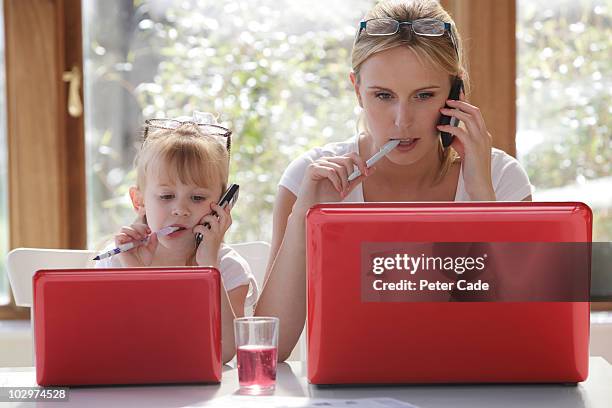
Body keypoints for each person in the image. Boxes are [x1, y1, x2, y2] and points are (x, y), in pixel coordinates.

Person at [255, 0, 533, 361]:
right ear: (357, 90)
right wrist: (306, 216)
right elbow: (269, 350)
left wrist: (481, 196)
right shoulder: (309, 177)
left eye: (424, 95)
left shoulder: (501, 178)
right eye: (383, 96)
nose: (402, 121)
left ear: (455, 94)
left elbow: (523, 334)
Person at [95, 116, 258, 364]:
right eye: (166, 195)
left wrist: (209, 266)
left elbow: (224, 352)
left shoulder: (227, 269)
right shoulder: (116, 263)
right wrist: (138, 274)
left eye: (197, 198)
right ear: (139, 201)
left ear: (222, 206)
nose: (180, 209)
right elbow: (120, 348)